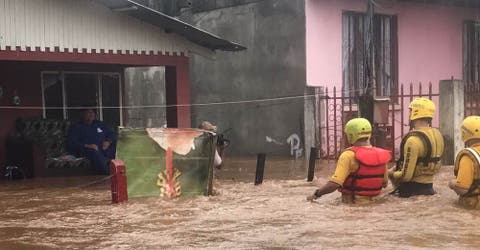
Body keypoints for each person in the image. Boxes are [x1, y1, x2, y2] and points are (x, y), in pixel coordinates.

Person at [307, 118, 391, 204]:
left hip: (352, 208)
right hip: (375, 208)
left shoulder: (348, 156)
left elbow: (334, 184)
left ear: (350, 136)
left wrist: (317, 194)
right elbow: (384, 183)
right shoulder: (381, 155)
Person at [389, 97, 444, 197]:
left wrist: (391, 174)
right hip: (430, 189)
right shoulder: (437, 135)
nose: (409, 115)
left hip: (411, 191)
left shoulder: (412, 141)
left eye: (411, 111)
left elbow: (406, 176)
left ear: (416, 113)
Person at [67, 108, 116, 175]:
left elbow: (112, 134)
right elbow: (72, 143)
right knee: (94, 152)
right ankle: (108, 172)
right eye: (88, 112)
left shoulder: (100, 124)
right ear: (82, 114)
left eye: (92, 112)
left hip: (103, 148)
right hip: (87, 150)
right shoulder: (76, 127)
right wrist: (87, 145)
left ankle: (123, 170)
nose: (91, 114)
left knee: (115, 149)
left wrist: (108, 142)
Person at [449, 116, 480, 209]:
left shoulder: (468, 157)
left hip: (473, 205)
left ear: (464, 133)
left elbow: (462, 189)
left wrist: (452, 183)